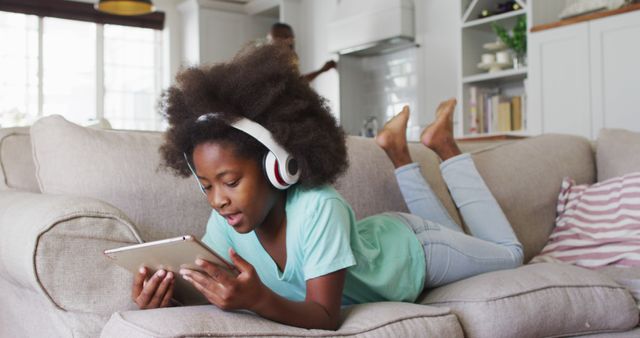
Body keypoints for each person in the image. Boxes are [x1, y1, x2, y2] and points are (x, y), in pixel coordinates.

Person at [130, 45, 523, 330]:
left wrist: (257, 299)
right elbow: (213, 294)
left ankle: (444, 148)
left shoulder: (319, 207)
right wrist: (165, 298)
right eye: (207, 186)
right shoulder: (225, 227)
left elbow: (325, 317)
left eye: (230, 181)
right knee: (466, 236)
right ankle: (399, 152)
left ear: (277, 166)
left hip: (415, 252)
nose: (218, 199)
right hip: (382, 240)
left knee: (513, 255)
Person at [267, 22, 337, 83]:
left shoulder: (290, 58)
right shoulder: (272, 61)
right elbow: (297, 83)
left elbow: (297, 83)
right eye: (272, 39)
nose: (291, 41)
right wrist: (322, 70)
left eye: (290, 38)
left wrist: (322, 70)